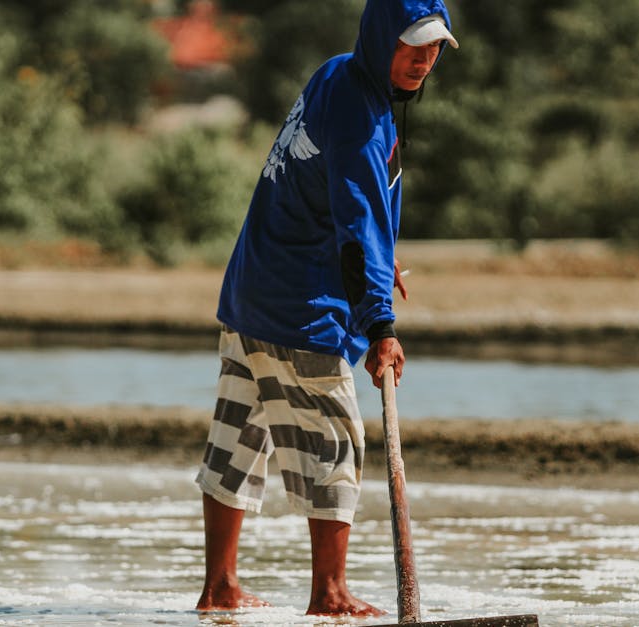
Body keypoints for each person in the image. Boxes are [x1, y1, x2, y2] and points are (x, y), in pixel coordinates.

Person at [193, 0, 458, 617]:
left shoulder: (338, 74)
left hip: (252, 292)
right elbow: (356, 223)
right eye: (412, 44)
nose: (424, 59)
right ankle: (330, 593)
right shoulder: (361, 116)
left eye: (435, 46)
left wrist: (379, 258)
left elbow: (339, 200)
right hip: (300, 310)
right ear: (379, 40)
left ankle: (220, 586)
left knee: (239, 436)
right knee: (336, 442)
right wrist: (381, 327)